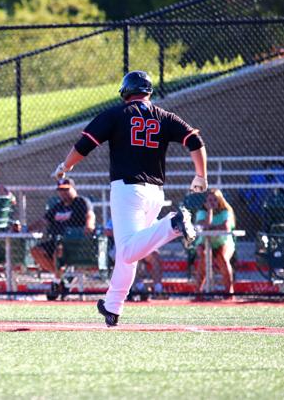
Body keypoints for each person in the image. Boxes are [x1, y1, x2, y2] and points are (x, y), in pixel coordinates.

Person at [52, 70, 207, 327]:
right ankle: (113, 306)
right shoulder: (164, 116)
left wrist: (66, 166)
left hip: (128, 190)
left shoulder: (117, 114)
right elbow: (194, 140)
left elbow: (85, 144)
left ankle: (173, 223)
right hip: (155, 193)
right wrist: (201, 175)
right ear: (149, 92)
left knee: (125, 249)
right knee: (130, 253)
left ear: (125, 91)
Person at [28, 178, 95, 298]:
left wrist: (89, 225)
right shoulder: (57, 206)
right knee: (35, 251)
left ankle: (57, 281)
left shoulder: (81, 202)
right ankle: (60, 279)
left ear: (73, 189)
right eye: (60, 190)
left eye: (66, 190)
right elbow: (43, 221)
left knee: (57, 252)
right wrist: (27, 228)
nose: (63, 193)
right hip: (55, 240)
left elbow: (90, 215)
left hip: (73, 242)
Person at [103, 219, 164, 299]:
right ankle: (140, 287)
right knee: (134, 256)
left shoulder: (147, 213)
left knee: (155, 257)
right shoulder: (119, 214)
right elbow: (107, 231)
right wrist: (122, 233)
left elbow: (158, 229)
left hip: (142, 246)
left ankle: (158, 290)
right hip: (123, 248)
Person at [193, 189, 236, 295]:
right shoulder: (202, 213)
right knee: (204, 257)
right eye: (210, 200)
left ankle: (229, 292)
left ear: (220, 201)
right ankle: (198, 292)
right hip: (204, 242)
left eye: (215, 200)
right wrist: (210, 212)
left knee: (223, 259)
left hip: (222, 242)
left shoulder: (226, 212)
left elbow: (225, 228)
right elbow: (203, 226)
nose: (212, 203)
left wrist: (211, 227)